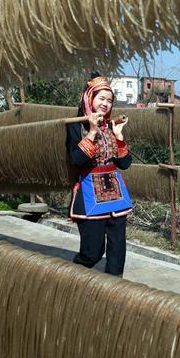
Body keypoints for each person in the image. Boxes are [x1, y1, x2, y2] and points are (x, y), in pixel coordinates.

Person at [67, 75, 133, 276]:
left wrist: (119, 137)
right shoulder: (76, 125)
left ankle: (113, 291)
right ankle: (70, 278)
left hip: (116, 192)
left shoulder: (111, 127)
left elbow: (125, 164)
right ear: (89, 98)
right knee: (92, 252)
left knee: (117, 251)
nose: (105, 104)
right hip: (89, 193)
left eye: (109, 100)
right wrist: (92, 132)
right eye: (101, 98)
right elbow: (76, 160)